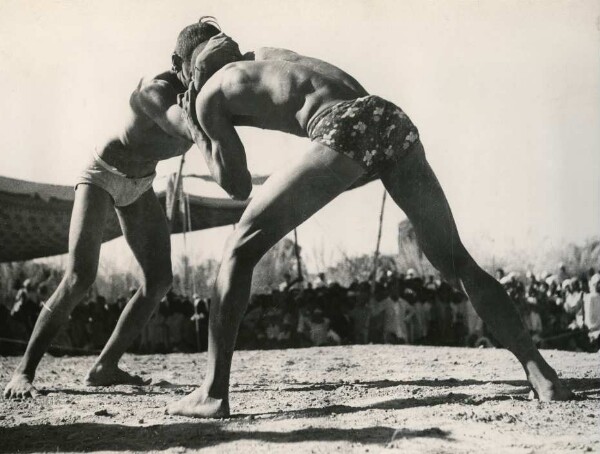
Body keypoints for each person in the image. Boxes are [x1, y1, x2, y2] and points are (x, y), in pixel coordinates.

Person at [167, 30, 573, 418]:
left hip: (342, 128)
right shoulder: (267, 55)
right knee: (455, 261)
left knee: (240, 248)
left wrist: (196, 128)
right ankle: (541, 373)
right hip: (388, 118)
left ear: (184, 66)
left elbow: (236, 186)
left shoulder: (208, 93)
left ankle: (212, 392)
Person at [3, 18, 223, 399]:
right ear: (178, 63)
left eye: (216, 65)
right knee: (79, 277)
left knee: (159, 282)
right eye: (201, 64)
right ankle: (22, 372)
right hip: (102, 174)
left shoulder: (205, 93)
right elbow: (185, 126)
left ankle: (105, 366)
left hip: (140, 184)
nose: (208, 74)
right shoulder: (154, 92)